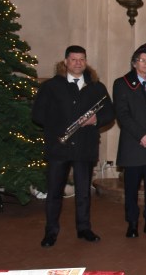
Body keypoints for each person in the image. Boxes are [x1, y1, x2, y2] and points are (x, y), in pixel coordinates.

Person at [33, 45, 115, 248]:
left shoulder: (96, 86)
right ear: (65, 62)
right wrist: (62, 124)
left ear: (85, 61)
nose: (78, 63)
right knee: (54, 192)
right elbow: (37, 115)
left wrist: (96, 120)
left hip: (85, 147)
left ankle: (84, 228)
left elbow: (110, 113)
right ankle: (50, 232)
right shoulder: (51, 86)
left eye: (82, 59)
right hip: (59, 147)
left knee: (84, 192)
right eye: (74, 59)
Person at [113, 43, 146, 238]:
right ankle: (132, 223)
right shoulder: (122, 83)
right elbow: (122, 114)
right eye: (142, 60)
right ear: (134, 63)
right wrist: (142, 135)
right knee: (131, 189)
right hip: (133, 145)